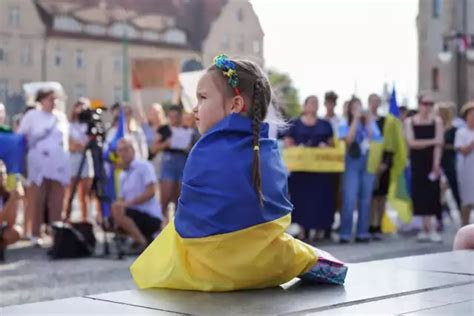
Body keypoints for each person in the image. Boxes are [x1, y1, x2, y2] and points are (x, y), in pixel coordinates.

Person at [130, 55, 348, 291]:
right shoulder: (270, 149)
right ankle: (321, 265)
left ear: (235, 104)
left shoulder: (202, 150)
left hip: (210, 269)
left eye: (202, 98)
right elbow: (279, 216)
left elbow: (187, 224)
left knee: (163, 248)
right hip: (266, 266)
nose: (194, 107)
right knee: (293, 250)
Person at [17, 89, 70, 246]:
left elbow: (65, 140)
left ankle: (56, 234)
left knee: (56, 201)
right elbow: (22, 136)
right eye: (50, 99)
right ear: (41, 100)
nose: (53, 102)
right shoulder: (32, 116)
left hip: (57, 164)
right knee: (37, 199)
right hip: (38, 163)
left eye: (55, 99)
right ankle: (35, 234)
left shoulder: (60, 117)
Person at [284, 95, 335, 240]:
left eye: (316, 103)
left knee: (320, 200)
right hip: (301, 171)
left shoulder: (325, 124)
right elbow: (288, 143)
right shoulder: (295, 124)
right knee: (301, 201)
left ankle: (319, 230)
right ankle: (302, 230)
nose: (314, 105)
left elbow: (332, 145)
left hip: (320, 171)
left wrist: (326, 147)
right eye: (311, 102)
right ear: (305, 106)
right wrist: (298, 148)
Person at [338, 97, 381, 243]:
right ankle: (345, 233)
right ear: (350, 109)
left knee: (365, 198)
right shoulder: (345, 122)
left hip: (367, 161)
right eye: (354, 107)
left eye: (360, 107)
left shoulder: (369, 122)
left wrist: (368, 122)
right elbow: (348, 140)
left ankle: (362, 232)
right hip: (352, 162)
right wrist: (355, 120)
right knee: (349, 198)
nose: (358, 110)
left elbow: (375, 138)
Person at [111, 138, 163, 253]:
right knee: (113, 211)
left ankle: (141, 242)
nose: (123, 153)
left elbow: (151, 191)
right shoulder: (122, 175)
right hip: (133, 214)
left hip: (150, 215)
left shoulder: (144, 166)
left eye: (126, 149)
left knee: (118, 208)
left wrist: (128, 204)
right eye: (120, 150)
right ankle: (139, 239)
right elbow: (121, 200)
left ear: (133, 150)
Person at [405, 94, 443, 243]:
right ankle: (423, 228)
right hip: (417, 161)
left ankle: (431, 228)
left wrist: (437, 163)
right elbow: (412, 142)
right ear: (419, 104)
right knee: (419, 194)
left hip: (431, 161)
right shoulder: (410, 121)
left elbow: (439, 145)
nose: (427, 107)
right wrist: (432, 141)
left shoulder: (437, 121)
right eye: (425, 103)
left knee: (433, 193)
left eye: (430, 104)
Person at [151, 106, 194, 224]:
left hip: (183, 164)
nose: (174, 119)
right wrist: (166, 143)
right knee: (164, 200)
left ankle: (176, 228)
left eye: (176, 116)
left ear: (180, 116)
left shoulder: (187, 129)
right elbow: (153, 149)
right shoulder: (164, 129)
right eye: (171, 116)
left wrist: (188, 147)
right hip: (168, 164)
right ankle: (160, 228)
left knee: (179, 201)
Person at [368, 93, 393, 240]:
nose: (375, 104)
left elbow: (390, 144)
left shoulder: (385, 121)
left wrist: (385, 163)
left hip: (383, 163)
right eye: (372, 101)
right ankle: (370, 224)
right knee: (370, 196)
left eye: (377, 101)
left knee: (381, 196)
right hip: (368, 164)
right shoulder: (365, 120)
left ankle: (379, 225)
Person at [64, 98, 94, 222]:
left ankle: (85, 219)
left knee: (84, 194)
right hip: (72, 161)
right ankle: (67, 218)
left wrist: (82, 146)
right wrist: (80, 146)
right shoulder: (69, 125)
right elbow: (70, 145)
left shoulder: (90, 125)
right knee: (70, 193)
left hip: (86, 160)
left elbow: (91, 143)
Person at [436, 102, 461, 220]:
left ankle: (461, 214)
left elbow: (457, 146)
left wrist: (443, 145)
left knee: (455, 189)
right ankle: (440, 215)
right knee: (438, 190)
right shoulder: (435, 128)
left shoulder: (454, 129)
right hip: (437, 162)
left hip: (449, 162)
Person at [455, 101, 474, 226]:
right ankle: (464, 226)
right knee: (466, 201)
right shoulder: (461, 132)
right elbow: (463, 150)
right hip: (466, 170)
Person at [0, 161, 22, 260]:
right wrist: (11, 201)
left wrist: (13, 199)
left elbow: (11, 222)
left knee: (14, 232)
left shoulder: (7, 188)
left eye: (2, 174)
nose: (1, 177)